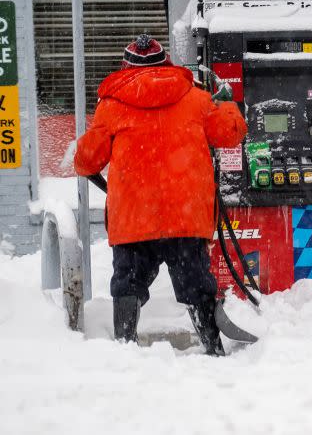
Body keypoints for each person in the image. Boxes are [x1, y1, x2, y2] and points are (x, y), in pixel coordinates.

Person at [74, 34, 247, 355]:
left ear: (125, 67)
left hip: (134, 220)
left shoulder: (111, 107)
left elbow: (87, 161)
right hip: (185, 217)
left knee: (127, 284)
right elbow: (230, 134)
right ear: (166, 62)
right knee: (197, 286)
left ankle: (124, 349)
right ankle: (214, 349)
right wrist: (228, 104)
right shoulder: (196, 98)